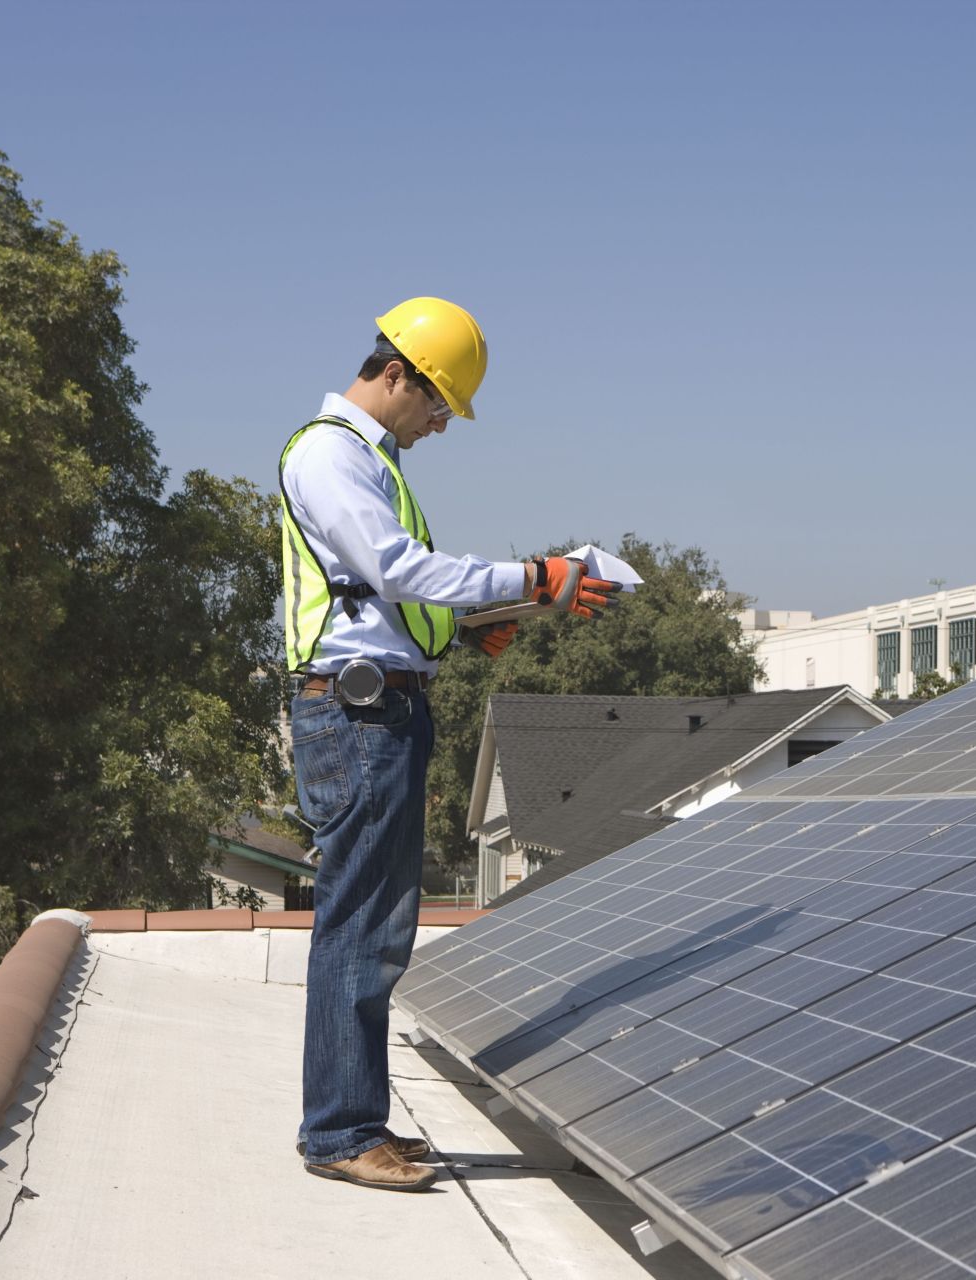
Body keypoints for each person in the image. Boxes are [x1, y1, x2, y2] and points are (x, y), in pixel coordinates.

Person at [276, 297, 618, 1191]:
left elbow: (375, 600)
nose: (438, 425)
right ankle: (342, 1133)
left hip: (378, 708)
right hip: (359, 718)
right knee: (360, 930)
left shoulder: (363, 458)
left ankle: (354, 1121)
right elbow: (395, 568)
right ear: (397, 374)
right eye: (437, 405)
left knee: (373, 929)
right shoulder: (329, 454)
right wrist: (531, 576)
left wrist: (465, 630)